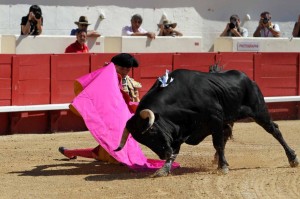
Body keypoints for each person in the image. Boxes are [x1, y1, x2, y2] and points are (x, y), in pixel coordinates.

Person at [58, 53, 142, 163]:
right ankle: (71, 152)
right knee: (110, 150)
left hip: (126, 119)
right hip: (110, 119)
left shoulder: (131, 82)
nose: (125, 71)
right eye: (122, 68)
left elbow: (135, 100)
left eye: (128, 69)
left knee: (106, 150)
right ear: (114, 66)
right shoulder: (105, 79)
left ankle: (70, 152)